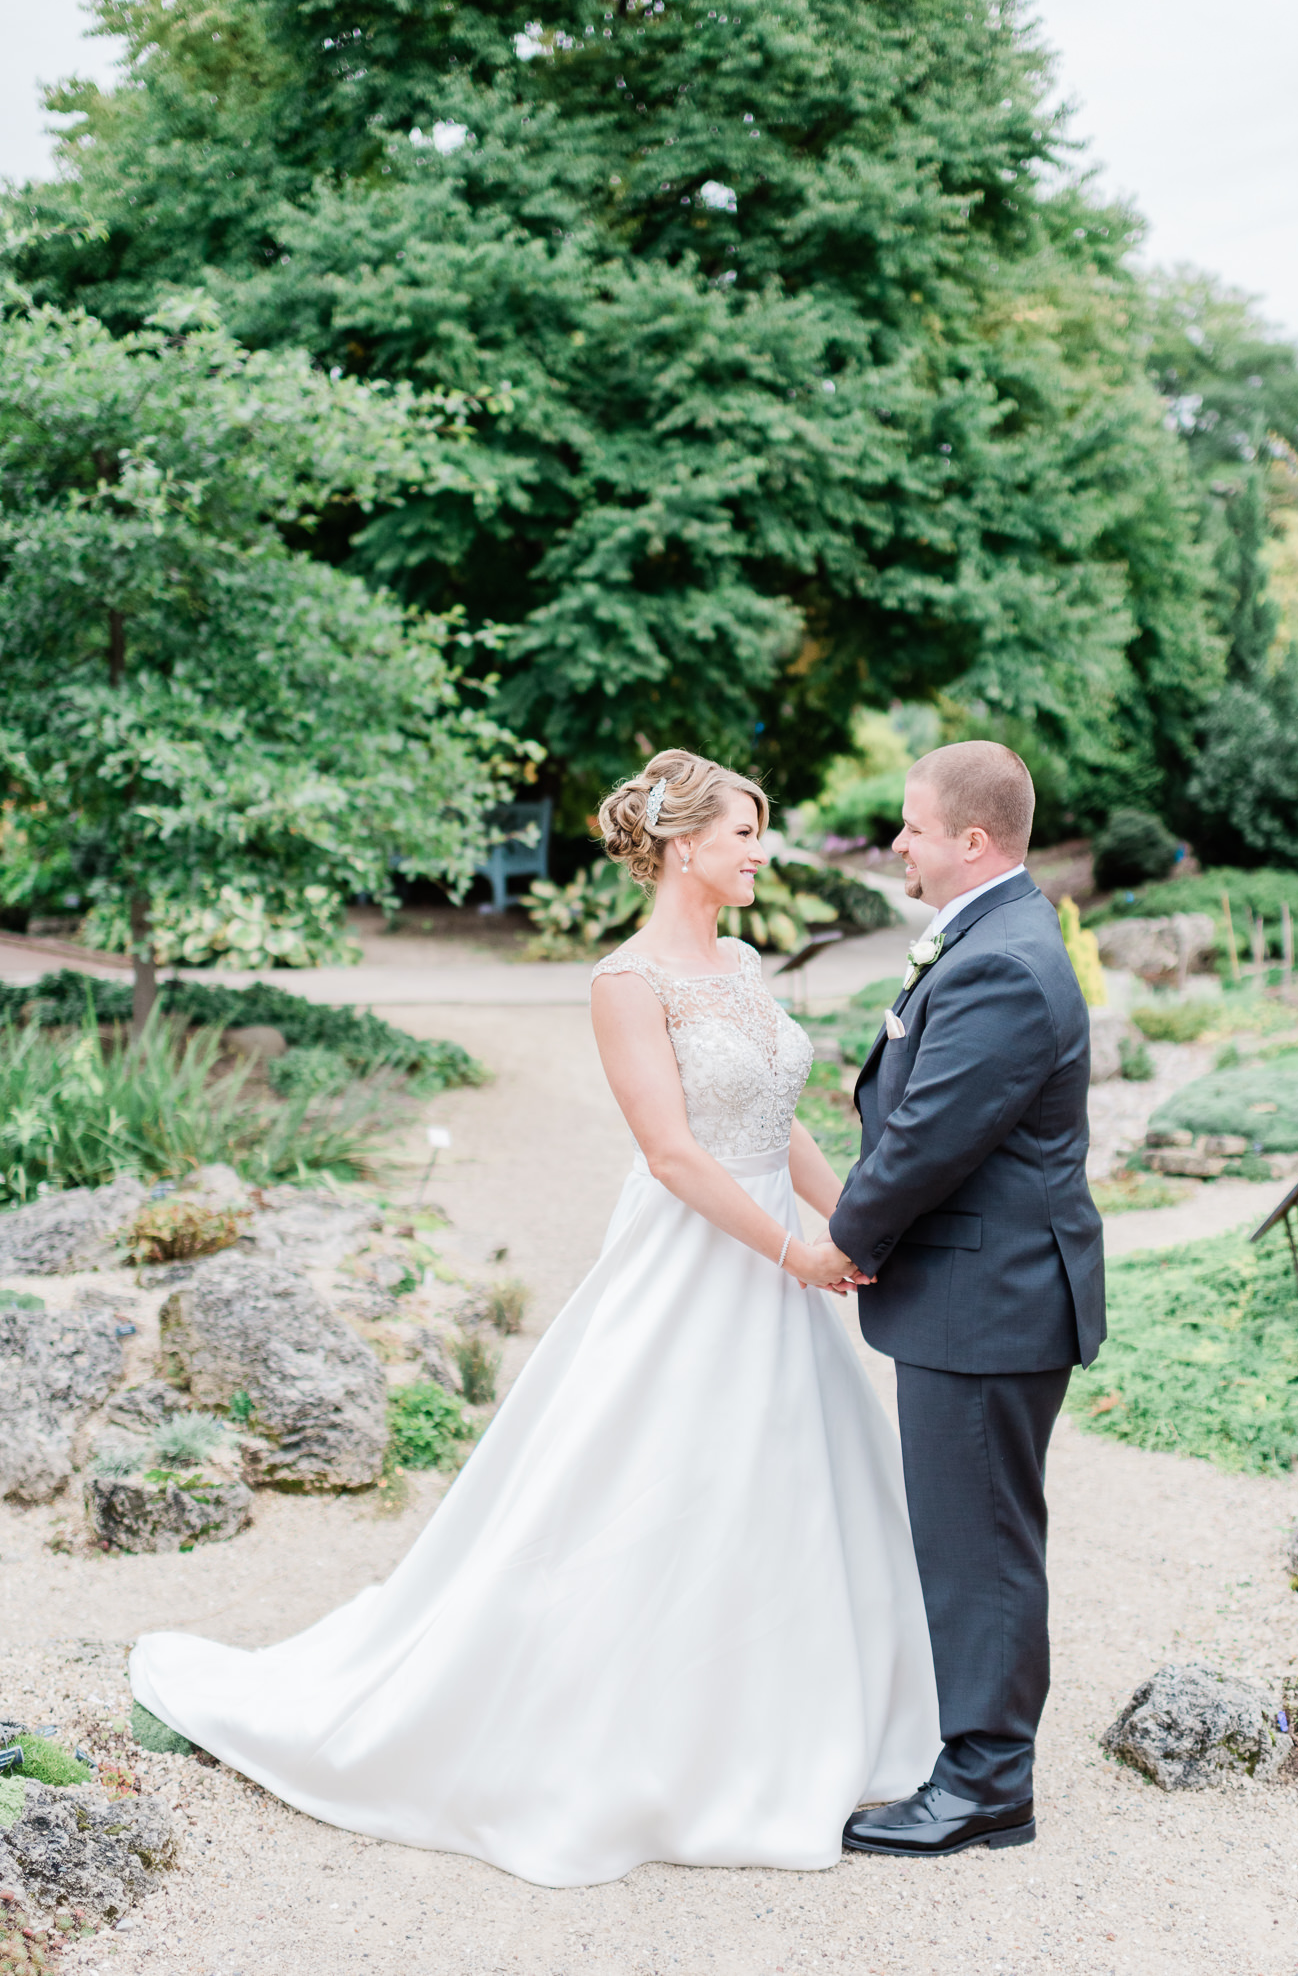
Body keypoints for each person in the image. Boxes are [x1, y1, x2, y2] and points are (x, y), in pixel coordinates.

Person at [129, 749, 939, 1889]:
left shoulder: (747, 961)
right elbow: (671, 1152)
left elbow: (776, 1120)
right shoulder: (626, 982)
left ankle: (776, 1728)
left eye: (762, 833)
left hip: (774, 1255)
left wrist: (846, 1221)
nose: (763, 852)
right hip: (691, 1260)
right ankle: (602, 1743)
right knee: (639, 1481)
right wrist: (793, 1251)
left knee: (785, 1489)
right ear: (683, 844)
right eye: (747, 834)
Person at [810, 740, 1105, 1860]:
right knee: (974, 1532)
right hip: (983, 1287)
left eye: (912, 827)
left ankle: (985, 1785)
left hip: (987, 1299)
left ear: (971, 841)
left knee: (977, 1541)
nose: (897, 844)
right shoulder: (998, 932)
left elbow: (930, 1136)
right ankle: (981, 1765)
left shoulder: (1003, 961)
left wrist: (842, 1240)